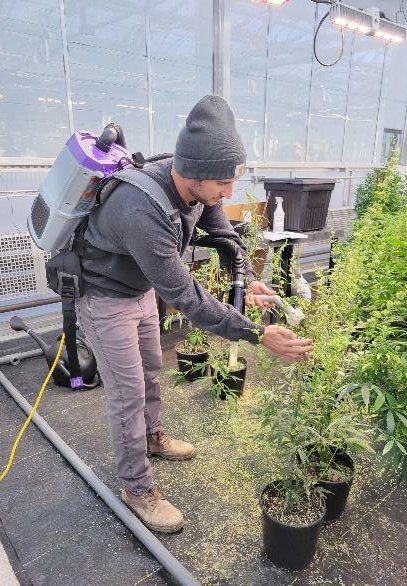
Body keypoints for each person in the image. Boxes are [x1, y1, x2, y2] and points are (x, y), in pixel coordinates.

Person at [76, 95, 313, 533]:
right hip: (104, 296)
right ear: (194, 173)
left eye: (232, 180)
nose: (229, 192)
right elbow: (188, 299)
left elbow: (222, 233)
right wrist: (258, 333)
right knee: (126, 393)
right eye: (224, 183)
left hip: (139, 288)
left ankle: (151, 437)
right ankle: (136, 487)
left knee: (150, 370)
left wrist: (243, 278)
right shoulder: (140, 210)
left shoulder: (197, 179)